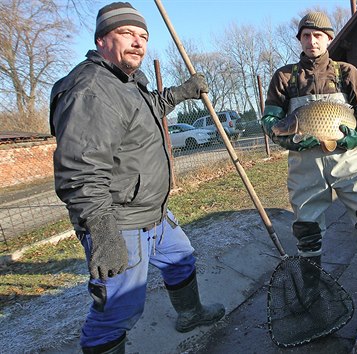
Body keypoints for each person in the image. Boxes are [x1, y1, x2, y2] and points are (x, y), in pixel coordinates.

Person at [49, 3, 225, 353]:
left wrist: (181, 93)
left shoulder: (126, 83)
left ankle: (189, 313)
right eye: (127, 33)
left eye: (143, 36)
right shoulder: (92, 90)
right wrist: (102, 231)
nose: (138, 42)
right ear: (101, 39)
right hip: (119, 222)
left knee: (181, 259)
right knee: (119, 308)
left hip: (153, 213)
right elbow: (80, 171)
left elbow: (147, 112)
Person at [260, 11, 357, 314]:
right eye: (306, 35)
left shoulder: (347, 72)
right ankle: (312, 292)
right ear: (299, 39)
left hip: (349, 163)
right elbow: (271, 121)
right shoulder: (285, 77)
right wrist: (291, 139)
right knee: (308, 232)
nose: (312, 41)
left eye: (318, 35)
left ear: (328, 38)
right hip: (305, 167)